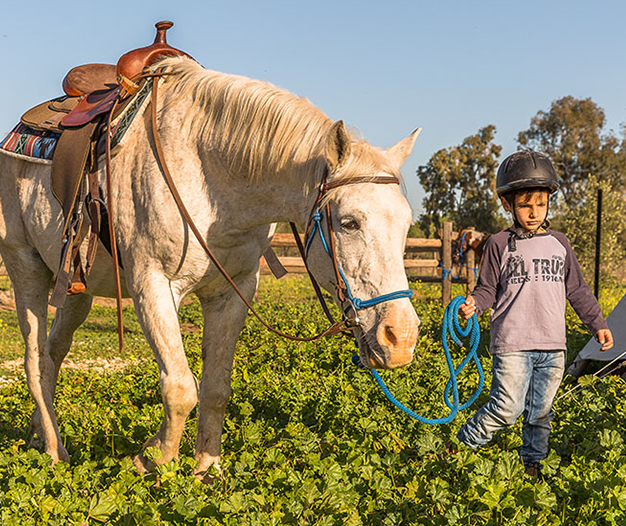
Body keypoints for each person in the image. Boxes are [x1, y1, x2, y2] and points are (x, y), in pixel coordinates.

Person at [454, 150, 614, 478]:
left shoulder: (560, 243)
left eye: (540, 204)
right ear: (507, 205)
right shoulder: (499, 244)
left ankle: (533, 464)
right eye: (526, 205)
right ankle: (461, 446)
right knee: (508, 408)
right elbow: (486, 289)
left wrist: (597, 323)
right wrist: (474, 304)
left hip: (553, 346)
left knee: (540, 412)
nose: (534, 212)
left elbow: (578, 289)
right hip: (512, 342)